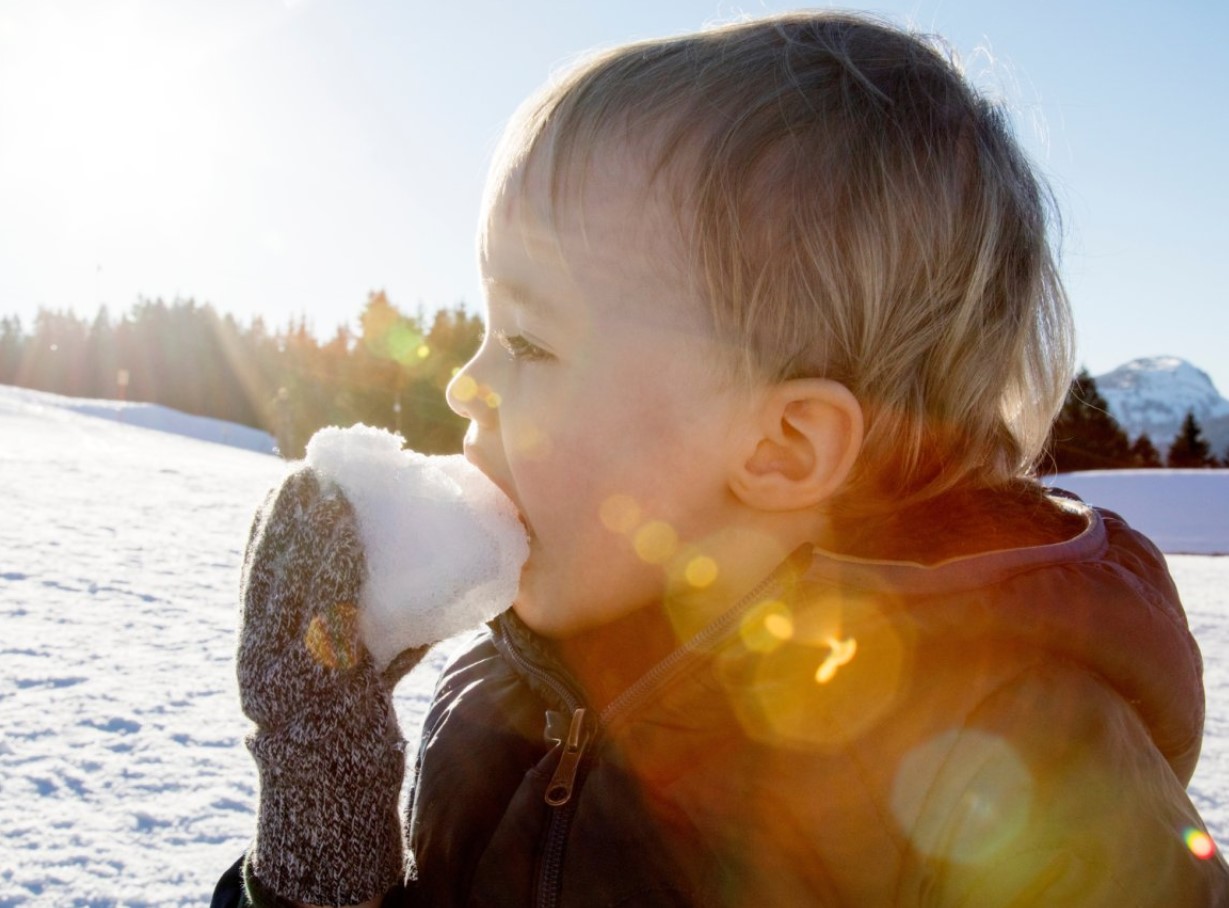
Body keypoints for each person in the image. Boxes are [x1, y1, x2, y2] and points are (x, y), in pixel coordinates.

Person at [213, 12, 1229, 907]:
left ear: (779, 447)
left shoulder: (1023, 768)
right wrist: (321, 824)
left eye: (527, 341)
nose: (462, 385)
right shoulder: (501, 697)